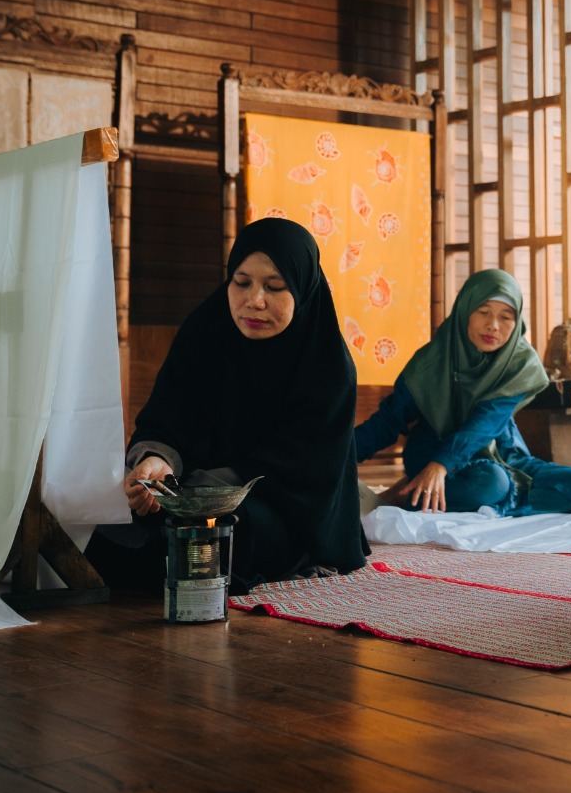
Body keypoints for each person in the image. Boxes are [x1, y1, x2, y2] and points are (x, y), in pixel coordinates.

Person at [86, 218, 366, 594]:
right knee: (107, 515)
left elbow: (302, 468)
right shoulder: (205, 332)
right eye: (242, 282)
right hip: (181, 492)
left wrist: (201, 492)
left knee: (222, 532)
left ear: (302, 288)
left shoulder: (326, 366)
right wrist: (156, 462)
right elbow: (167, 416)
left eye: (275, 287)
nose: (255, 300)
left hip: (280, 508)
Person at [355, 269, 571, 515]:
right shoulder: (432, 362)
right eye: (483, 312)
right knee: (491, 484)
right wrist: (341, 451)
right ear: (465, 311)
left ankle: (413, 494)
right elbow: (389, 421)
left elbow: (487, 422)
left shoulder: (520, 363)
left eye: (506, 317)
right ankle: (412, 493)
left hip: (498, 450)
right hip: (433, 450)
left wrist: (442, 465)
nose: (493, 325)